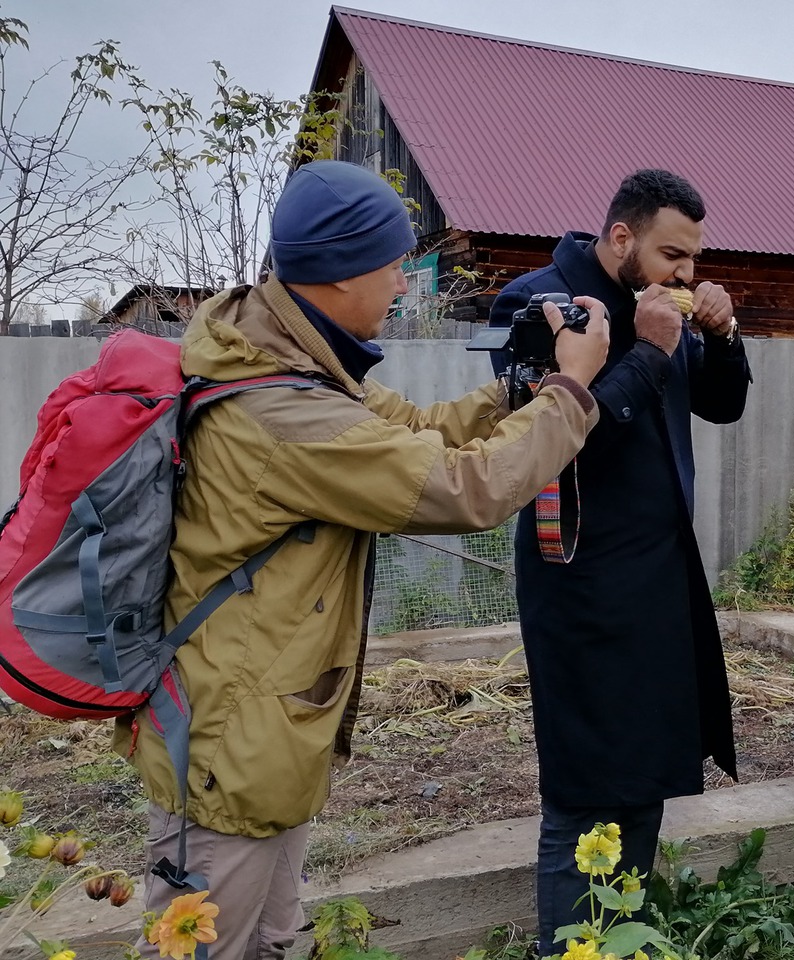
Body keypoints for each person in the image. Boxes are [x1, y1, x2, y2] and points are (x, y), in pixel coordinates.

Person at [113, 159, 610, 959]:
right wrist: (572, 393)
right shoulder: (285, 410)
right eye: (393, 267)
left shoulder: (292, 355)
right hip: (227, 749)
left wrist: (517, 388)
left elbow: (417, 427)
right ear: (344, 274)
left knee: (275, 942)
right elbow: (464, 488)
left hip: (268, 733)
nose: (401, 286)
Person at [488, 168, 752, 951]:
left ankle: (621, 937)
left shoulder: (663, 312)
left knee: (642, 783)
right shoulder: (537, 304)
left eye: (695, 258)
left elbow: (724, 404)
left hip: (660, 585)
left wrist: (722, 334)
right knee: (584, 792)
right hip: (582, 588)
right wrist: (645, 349)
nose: (686, 273)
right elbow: (550, 439)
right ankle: (570, 947)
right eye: (673, 254)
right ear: (622, 237)